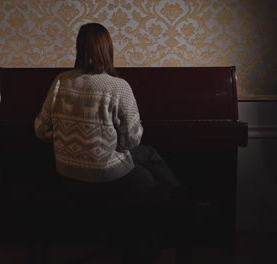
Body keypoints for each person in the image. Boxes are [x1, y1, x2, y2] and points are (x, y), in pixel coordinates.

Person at [34, 22, 181, 264]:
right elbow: (132, 140)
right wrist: (112, 141)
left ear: (79, 49)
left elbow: (40, 129)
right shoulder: (119, 87)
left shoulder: (61, 81)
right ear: (108, 49)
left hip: (66, 172)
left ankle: (165, 217)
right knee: (148, 177)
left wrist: (61, 135)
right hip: (105, 174)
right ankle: (166, 226)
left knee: (148, 158)